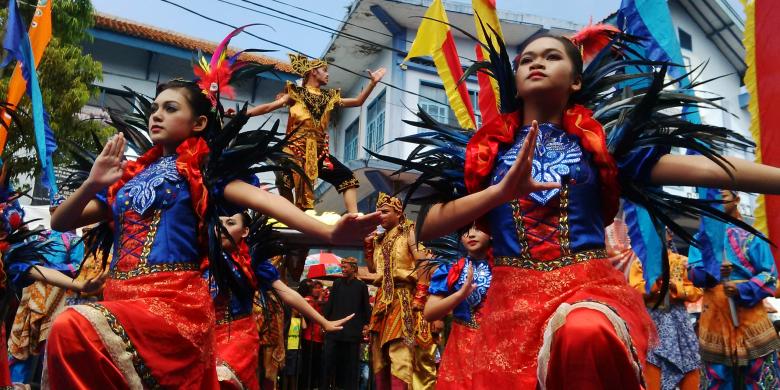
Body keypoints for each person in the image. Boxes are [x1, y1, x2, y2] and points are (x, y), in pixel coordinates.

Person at [375, 28, 780, 388]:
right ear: (514, 83)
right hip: (509, 300)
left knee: (585, 331)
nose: (537, 63)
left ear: (575, 81)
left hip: (585, 285)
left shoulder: (600, 147)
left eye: (552, 56)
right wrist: (499, 193)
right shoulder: (484, 153)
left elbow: (709, 169)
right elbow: (424, 229)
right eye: (527, 59)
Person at [44, 77, 379, 388]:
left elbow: (264, 201)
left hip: (172, 303)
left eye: (171, 108)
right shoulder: (126, 180)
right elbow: (60, 222)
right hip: (119, 300)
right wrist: (93, 183)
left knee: (70, 325)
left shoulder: (204, 172)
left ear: (199, 123)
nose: (157, 115)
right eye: (154, 109)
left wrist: (329, 232)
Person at [243, 54, 386, 214]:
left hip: (319, 154)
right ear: (313, 72)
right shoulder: (295, 93)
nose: (327, 74)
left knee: (347, 178)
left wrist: (372, 84)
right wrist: (243, 114)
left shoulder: (329, 97)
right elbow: (269, 107)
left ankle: (354, 217)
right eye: (324, 70)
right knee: (284, 182)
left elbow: (358, 101)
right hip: (293, 151)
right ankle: (289, 219)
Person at [688, 190, 780, 389]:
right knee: (716, 378)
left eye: (723, 198)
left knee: (761, 377)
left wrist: (742, 289)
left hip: (751, 317)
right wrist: (713, 271)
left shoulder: (754, 236)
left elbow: (770, 275)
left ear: (737, 200)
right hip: (715, 318)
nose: (718, 204)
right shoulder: (700, 239)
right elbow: (693, 274)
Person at [364, 193, 432, 389]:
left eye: (385, 212)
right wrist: (368, 247)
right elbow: (372, 269)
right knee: (379, 355)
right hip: (381, 301)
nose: (380, 216)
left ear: (398, 212)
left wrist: (420, 295)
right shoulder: (379, 238)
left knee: (399, 352)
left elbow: (423, 262)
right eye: (378, 212)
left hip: (403, 298)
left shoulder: (409, 231)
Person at [629, 231, 703, 390]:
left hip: (679, 322)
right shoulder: (641, 262)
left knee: (689, 364)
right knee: (651, 362)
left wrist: (676, 288)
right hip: (652, 321)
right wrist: (655, 283)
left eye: (664, 232)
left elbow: (697, 290)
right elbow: (634, 291)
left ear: (670, 236)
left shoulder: (682, 262)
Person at [321, 257, 372, 390]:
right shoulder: (337, 283)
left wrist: (367, 324)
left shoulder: (361, 286)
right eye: (342, 267)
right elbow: (330, 304)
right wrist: (324, 321)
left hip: (352, 333)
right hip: (335, 331)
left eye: (345, 267)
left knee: (350, 367)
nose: (342, 270)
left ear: (353, 268)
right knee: (329, 363)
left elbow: (365, 307)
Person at [298, 278, 325, 389]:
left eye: (320, 288)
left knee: (316, 366)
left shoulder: (322, 302)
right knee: (307, 365)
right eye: (315, 288)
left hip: (319, 338)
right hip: (309, 337)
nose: (318, 290)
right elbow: (312, 314)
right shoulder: (308, 299)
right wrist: (320, 298)